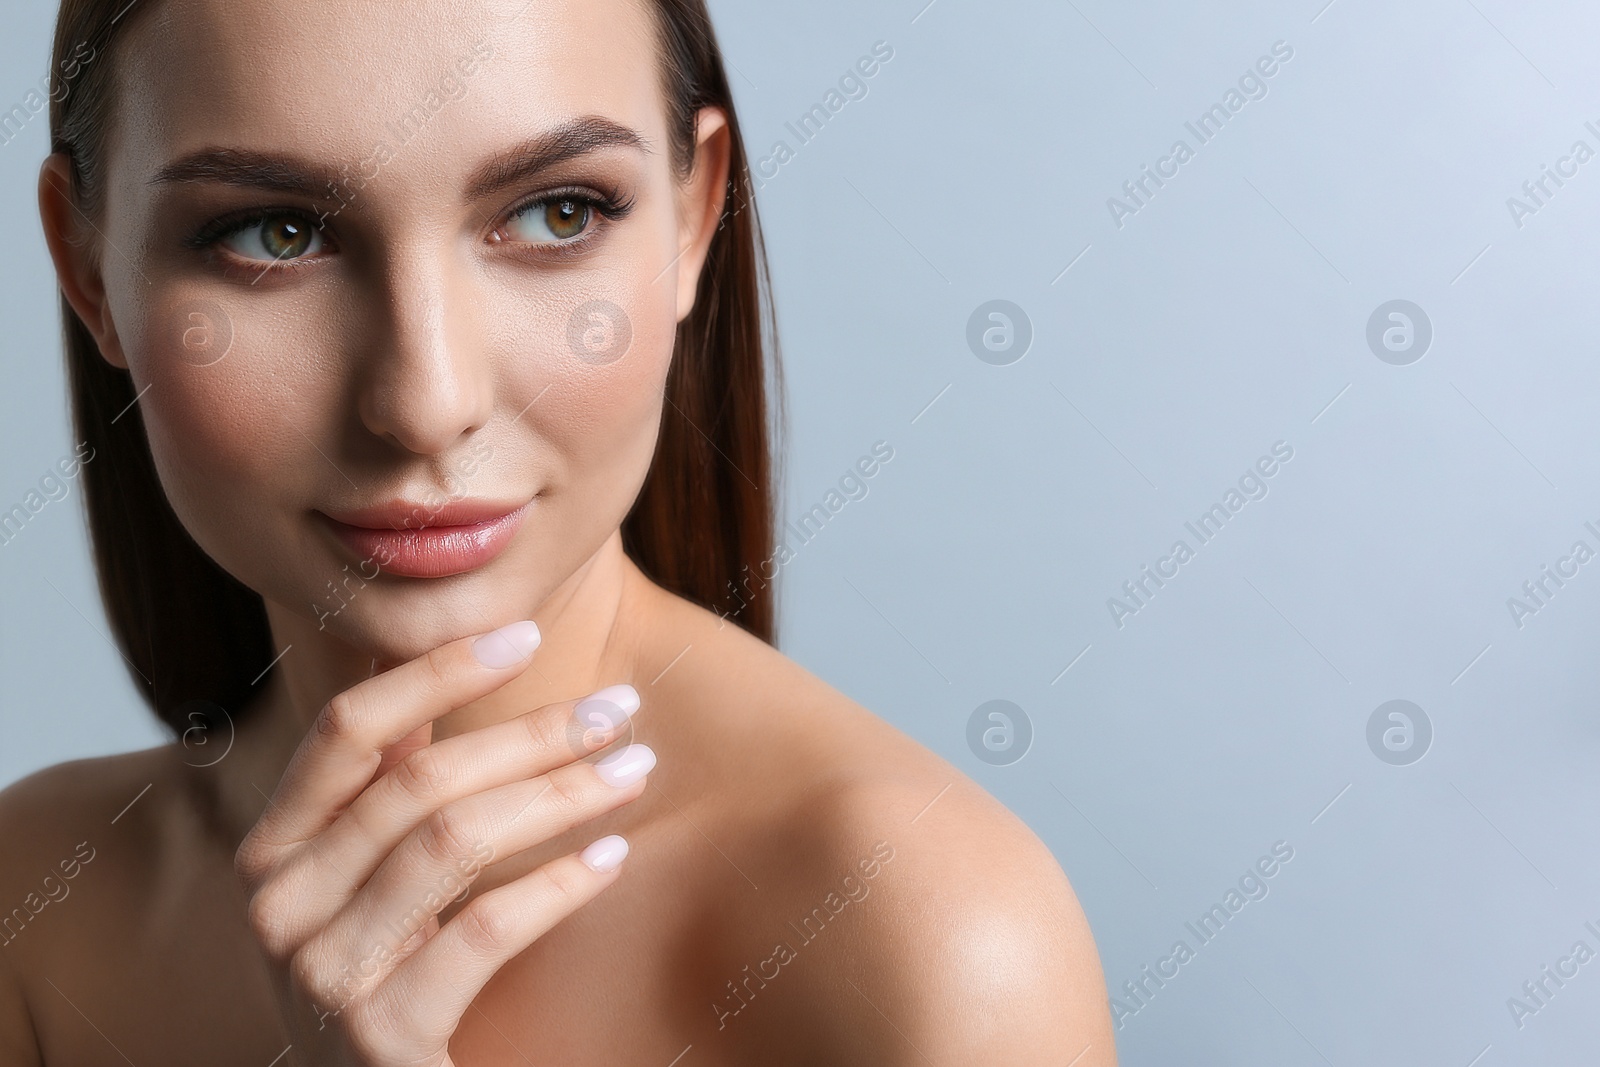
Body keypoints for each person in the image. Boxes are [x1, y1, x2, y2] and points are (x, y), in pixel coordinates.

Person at [0, 0, 1118, 1061]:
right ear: (89, 269)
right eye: (275, 232)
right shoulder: (34, 905)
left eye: (555, 212)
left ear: (693, 216)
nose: (426, 399)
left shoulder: (927, 935)